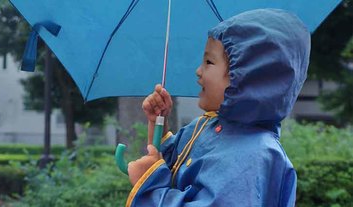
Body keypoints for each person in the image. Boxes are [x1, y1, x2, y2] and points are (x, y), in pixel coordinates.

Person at [126, 8, 310, 207]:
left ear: (244, 74)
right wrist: (159, 122)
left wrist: (149, 186)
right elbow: (173, 166)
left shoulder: (251, 155)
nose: (198, 71)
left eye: (208, 62)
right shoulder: (207, 126)